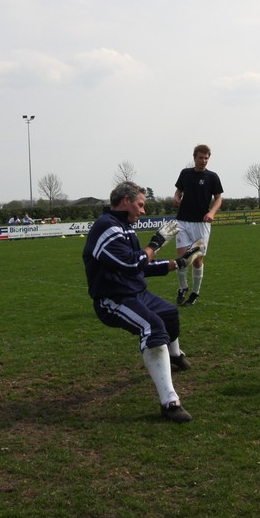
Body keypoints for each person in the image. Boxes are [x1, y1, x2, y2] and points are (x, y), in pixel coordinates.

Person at [82, 182, 202, 422]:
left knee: (169, 314)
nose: (143, 210)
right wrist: (156, 243)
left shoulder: (124, 228)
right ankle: (170, 403)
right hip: (113, 298)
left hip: (135, 292)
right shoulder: (107, 227)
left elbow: (140, 266)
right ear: (126, 201)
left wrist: (178, 263)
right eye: (140, 204)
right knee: (153, 328)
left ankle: (174, 355)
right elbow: (131, 264)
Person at [173, 144, 223, 306]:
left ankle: (195, 293)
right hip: (182, 221)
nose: (204, 161)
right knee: (181, 259)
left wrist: (212, 213)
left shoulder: (212, 177)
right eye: (201, 157)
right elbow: (178, 190)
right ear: (194, 158)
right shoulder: (185, 173)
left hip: (201, 224)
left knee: (196, 261)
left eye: (206, 158)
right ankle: (182, 288)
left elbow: (218, 198)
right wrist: (176, 197)